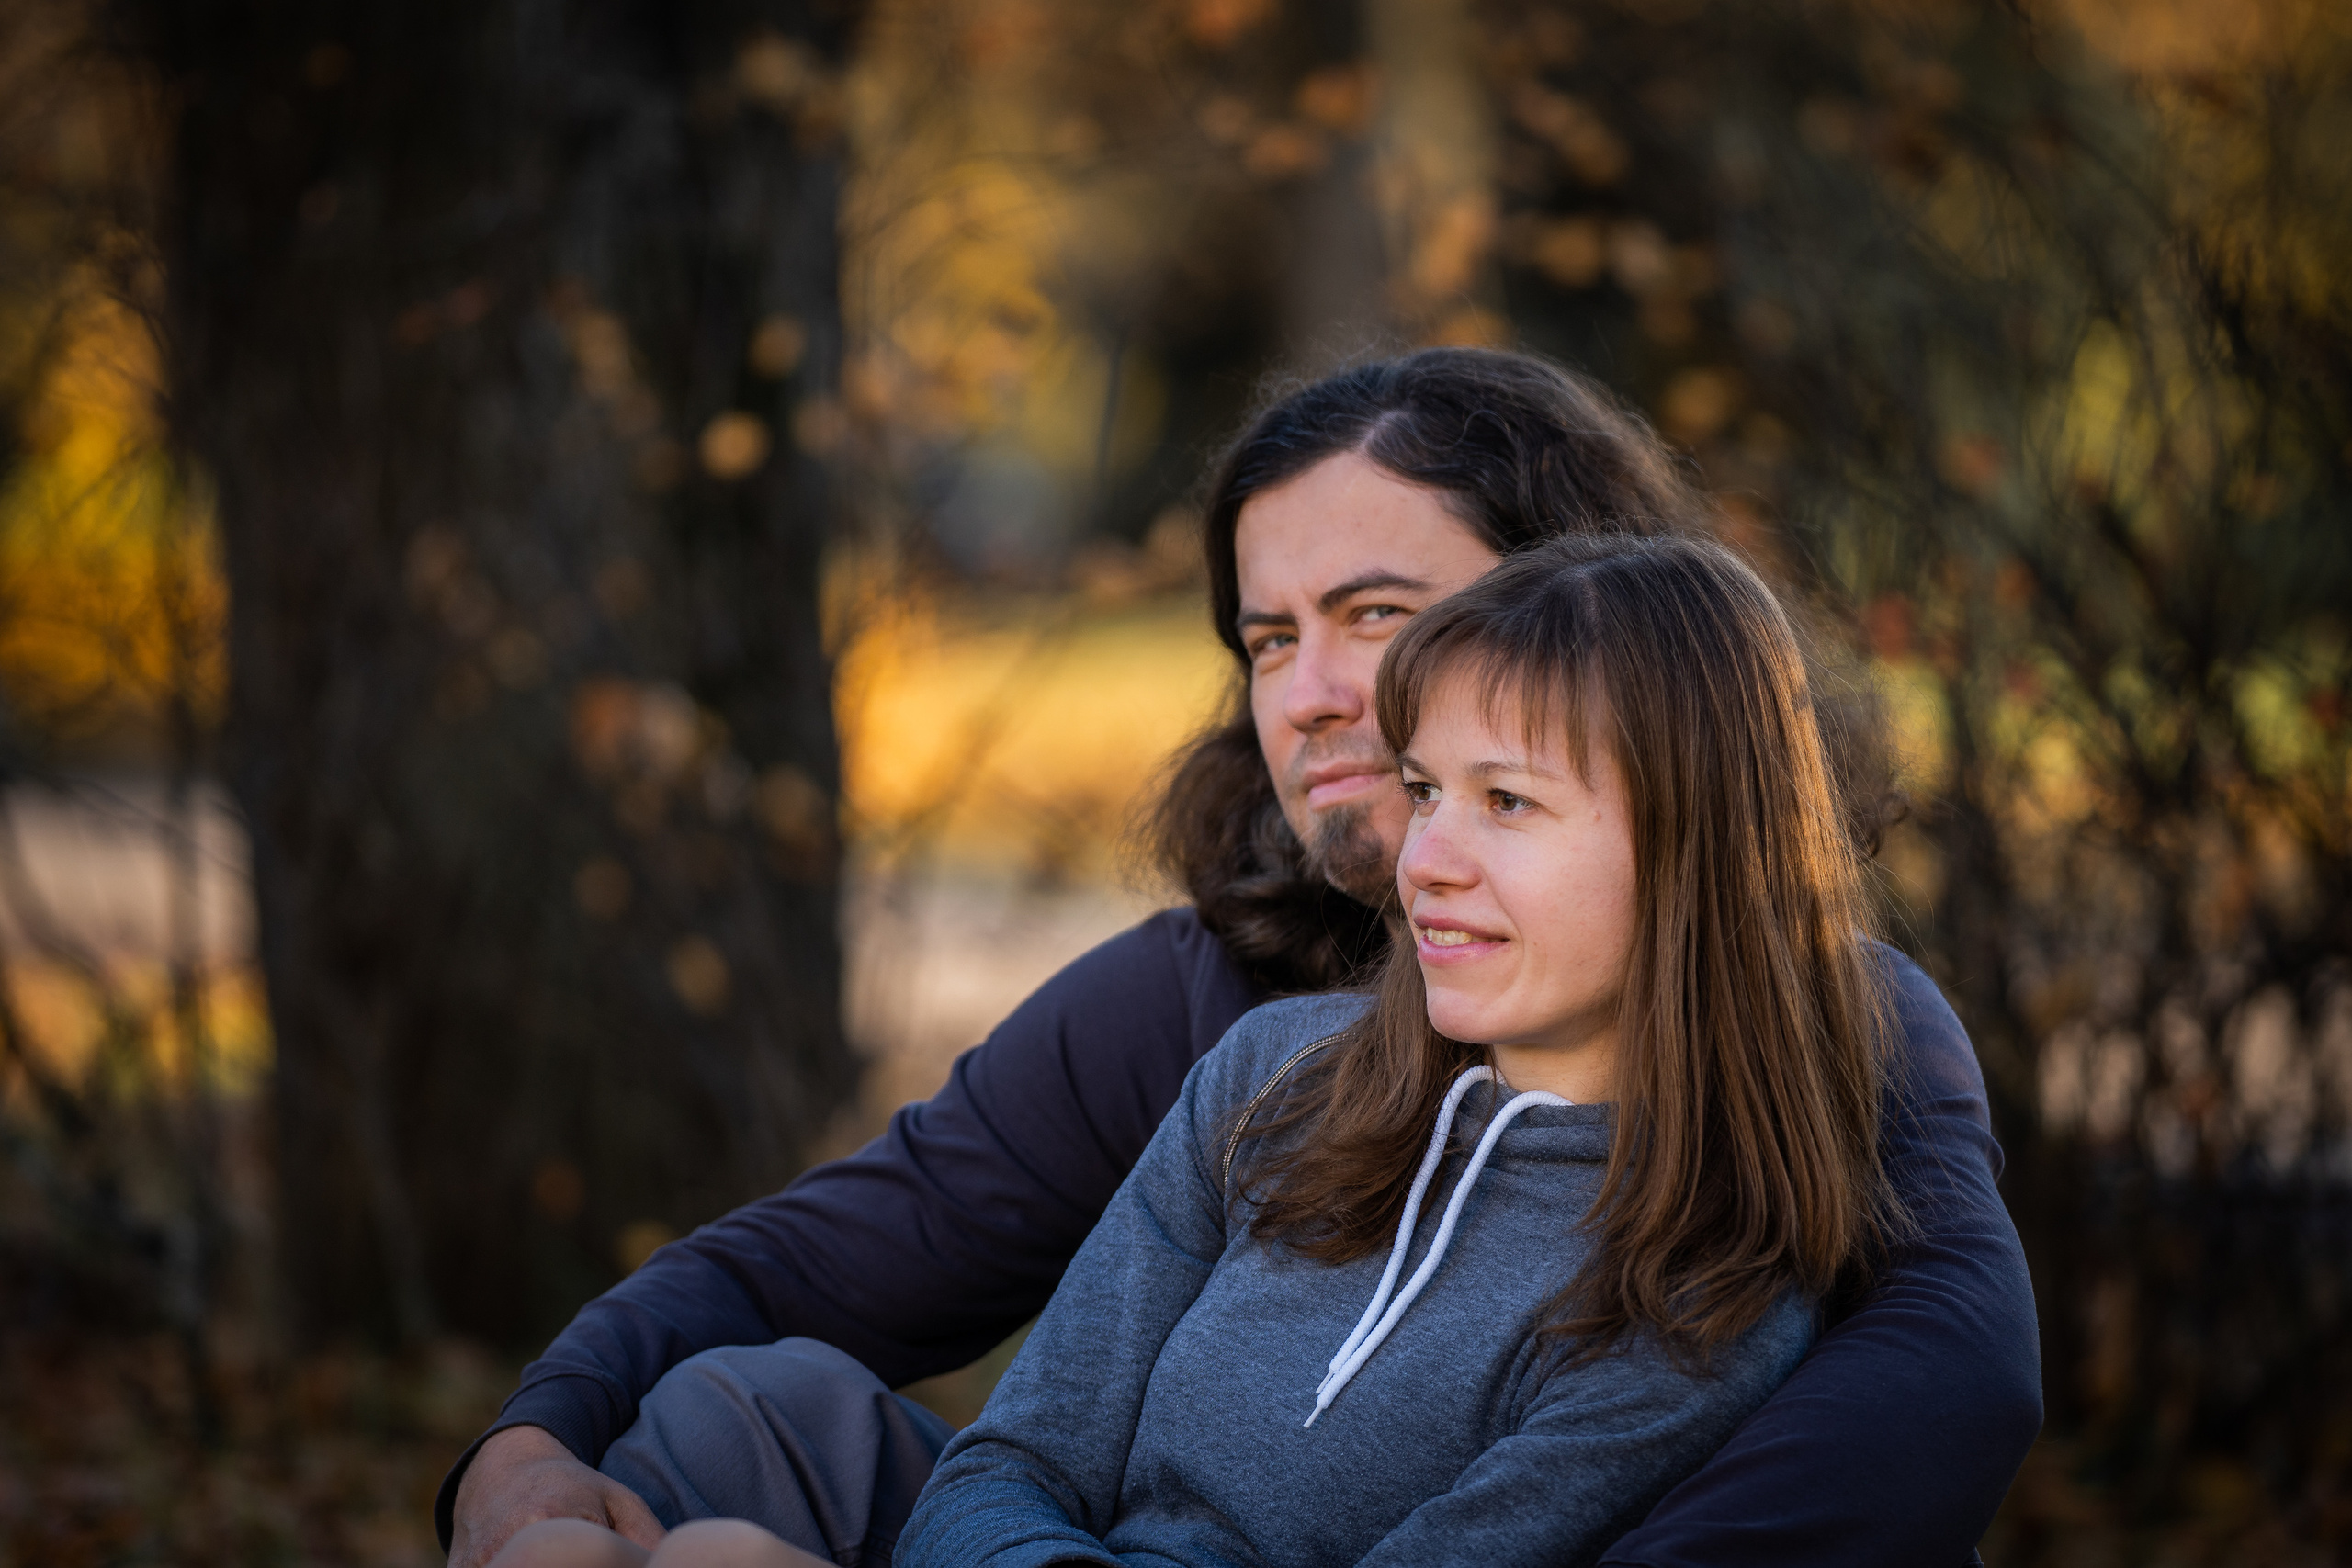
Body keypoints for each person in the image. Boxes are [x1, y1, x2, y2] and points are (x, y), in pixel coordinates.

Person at [443, 349, 2041, 1568]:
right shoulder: (1225, 1023)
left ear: (1585, 616)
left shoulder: (1824, 1032)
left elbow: (1947, 1386)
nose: (1313, 692)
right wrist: (525, 1444)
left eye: (1377, 615)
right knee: (742, 1420)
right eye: (1269, 639)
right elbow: (849, 1261)